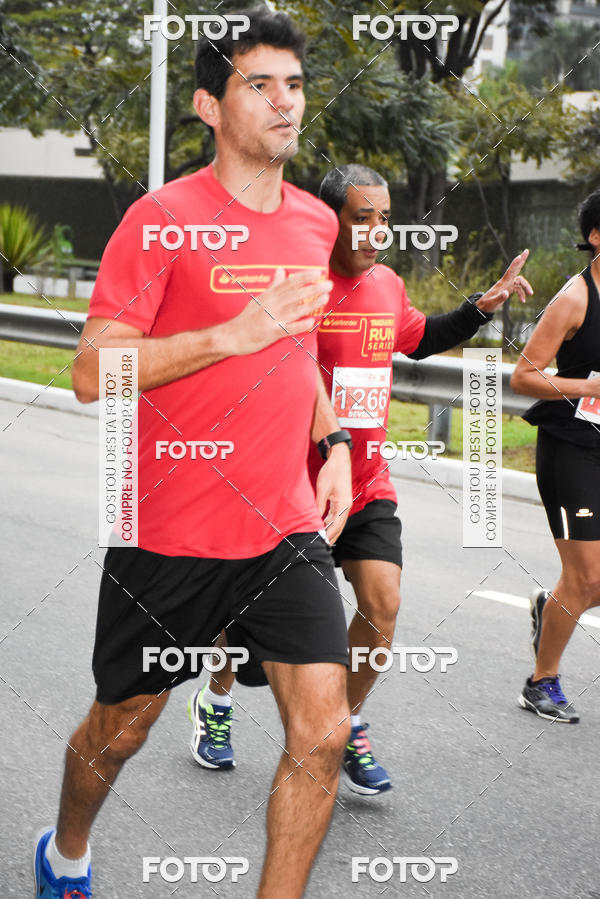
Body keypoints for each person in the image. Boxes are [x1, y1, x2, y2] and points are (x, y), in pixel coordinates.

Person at [34, 10, 355, 898]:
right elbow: (93, 372)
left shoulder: (314, 223)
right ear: (210, 105)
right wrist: (229, 333)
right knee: (122, 729)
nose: (286, 102)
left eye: (294, 84)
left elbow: (296, 351)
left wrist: (329, 443)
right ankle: (65, 850)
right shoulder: (161, 219)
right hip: (169, 534)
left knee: (321, 732)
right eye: (262, 85)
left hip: (283, 529)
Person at [190, 163, 532, 794]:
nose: (376, 231)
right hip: (293, 484)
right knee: (245, 616)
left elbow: (419, 337)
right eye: (361, 217)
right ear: (329, 220)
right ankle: (216, 699)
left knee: (383, 605)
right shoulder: (297, 290)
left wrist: (479, 310)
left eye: (384, 218)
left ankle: (340, 724)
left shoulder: (386, 284)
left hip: (368, 480)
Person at [512, 188, 600, 724]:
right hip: (571, 449)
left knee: (589, 582)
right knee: (587, 579)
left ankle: (552, 606)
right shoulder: (575, 298)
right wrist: (589, 385)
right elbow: (524, 375)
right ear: (596, 237)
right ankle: (541, 682)